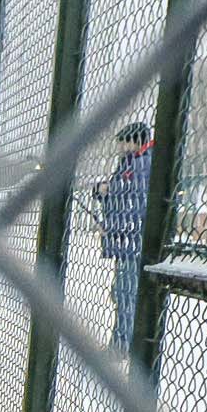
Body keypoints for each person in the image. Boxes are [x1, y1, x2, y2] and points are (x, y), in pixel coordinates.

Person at [89, 120, 155, 355]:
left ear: (135, 141)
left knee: (126, 294)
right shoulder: (130, 163)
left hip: (134, 242)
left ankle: (122, 345)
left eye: (123, 143)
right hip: (126, 241)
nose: (120, 148)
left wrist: (114, 226)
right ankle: (120, 342)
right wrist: (104, 193)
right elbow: (121, 200)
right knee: (121, 292)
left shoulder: (144, 164)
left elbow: (134, 205)